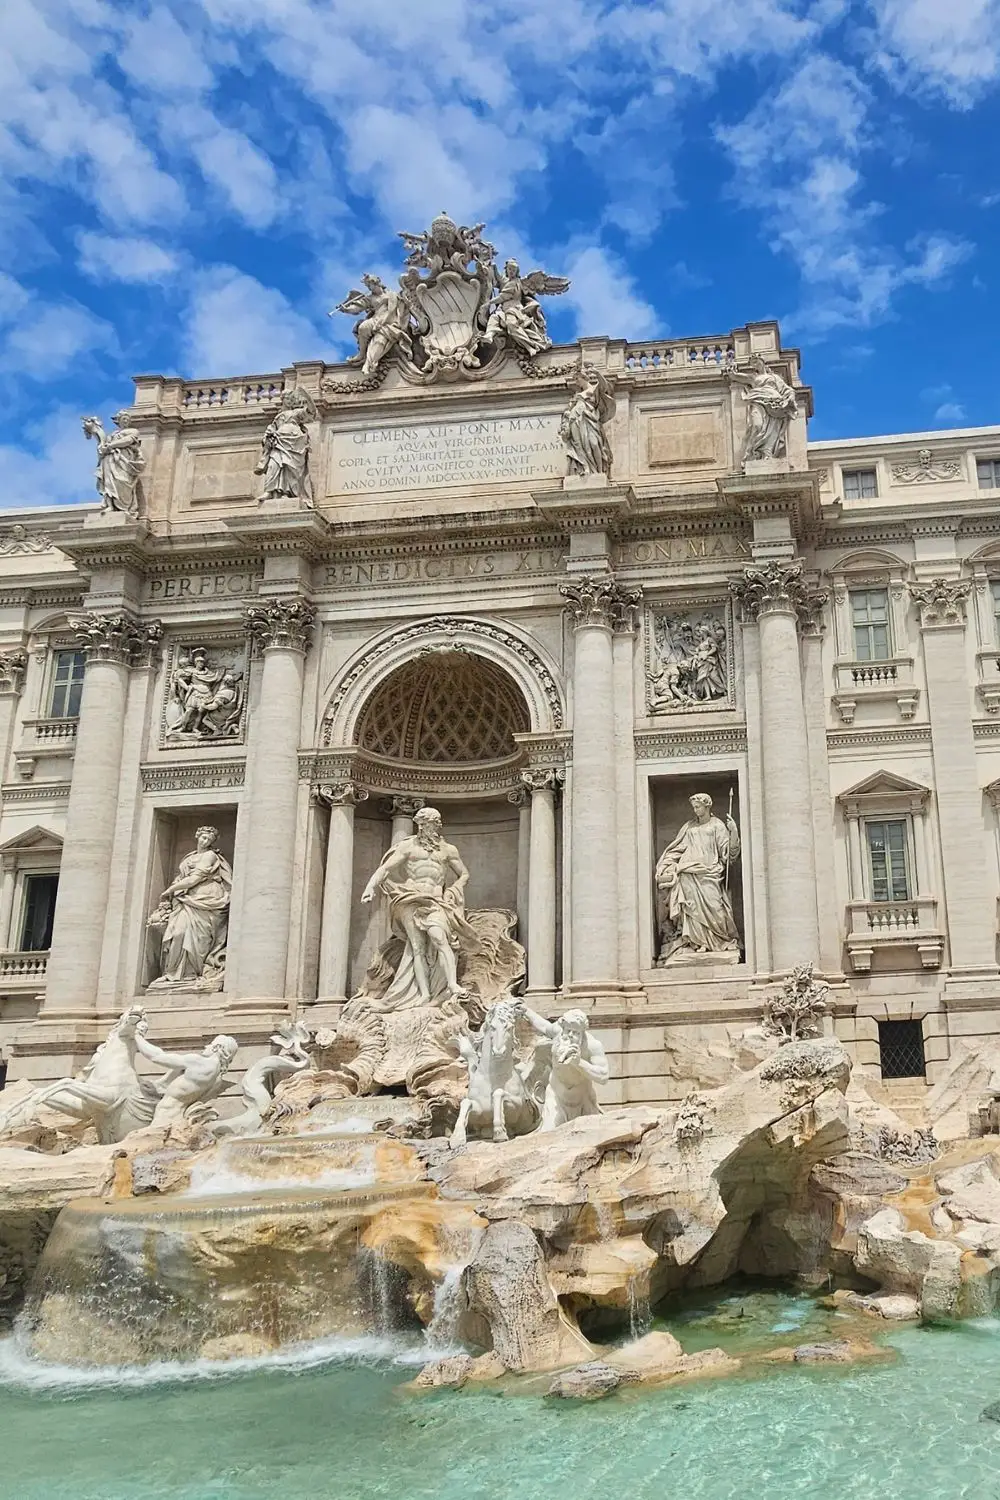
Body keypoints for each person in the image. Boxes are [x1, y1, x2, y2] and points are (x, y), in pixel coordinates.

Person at [360, 807, 479, 1010]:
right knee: (417, 948)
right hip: (410, 898)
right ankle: (424, 994)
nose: (435, 826)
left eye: (436, 823)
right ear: (421, 825)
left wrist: (454, 888)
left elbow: (464, 874)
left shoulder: (448, 849)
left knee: (441, 939)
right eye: (430, 823)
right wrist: (370, 887)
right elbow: (385, 869)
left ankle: (451, 984)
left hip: (435, 900)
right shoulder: (408, 847)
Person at [655, 793, 741, 963]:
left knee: (715, 907)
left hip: (709, 873)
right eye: (693, 807)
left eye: (698, 807)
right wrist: (666, 866)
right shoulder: (689, 827)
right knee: (691, 909)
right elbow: (677, 849)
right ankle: (696, 943)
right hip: (688, 873)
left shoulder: (718, 826)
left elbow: (728, 855)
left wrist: (734, 832)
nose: (695, 810)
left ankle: (718, 941)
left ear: (707, 806)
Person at [147, 826, 232, 989]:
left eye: (209, 839)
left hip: (206, 899)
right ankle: (173, 973)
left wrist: (171, 890)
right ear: (197, 836)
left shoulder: (210, 856)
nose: (206, 841)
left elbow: (195, 878)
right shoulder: (189, 857)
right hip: (185, 899)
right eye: (203, 837)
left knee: (198, 937)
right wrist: (174, 888)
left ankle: (191, 973)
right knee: (178, 933)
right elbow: (183, 877)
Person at [134, 1023, 238, 1129]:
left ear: (217, 1047)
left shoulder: (199, 1062)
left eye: (211, 1044)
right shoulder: (217, 1078)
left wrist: (137, 1035)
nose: (206, 1046)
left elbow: (157, 1056)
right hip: (176, 1119)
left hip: (164, 1120)